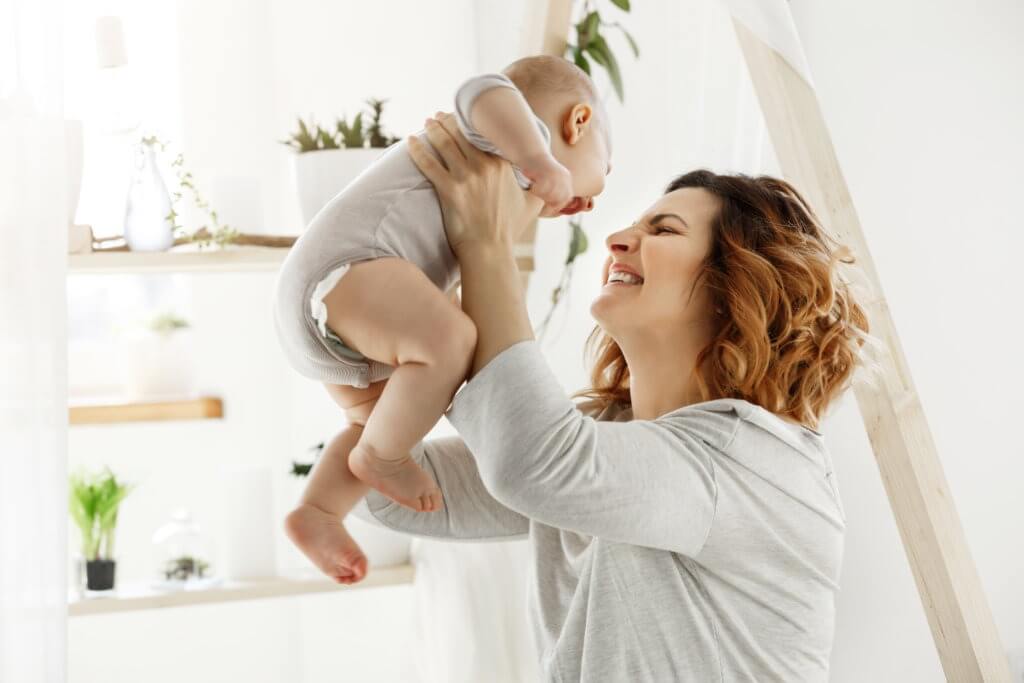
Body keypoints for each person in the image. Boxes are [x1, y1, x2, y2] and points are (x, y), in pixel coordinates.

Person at [347, 112, 872, 681]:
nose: (619, 240)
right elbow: (388, 493)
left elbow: (536, 464)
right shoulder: (609, 436)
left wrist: (485, 243)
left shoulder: (754, 457)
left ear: (736, 288)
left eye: (664, 231)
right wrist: (365, 338)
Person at [278, 55, 613, 584]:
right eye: (605, 170)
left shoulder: (507, 176)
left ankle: (318, 510)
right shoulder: (504, 130)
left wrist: (541, 190)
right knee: (452, 337)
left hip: (340, 314)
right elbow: (480, 90)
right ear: (578, 122)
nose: (591, 198)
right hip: (343, 270)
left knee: (384, 420)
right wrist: (536, 156)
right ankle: (379, 459)